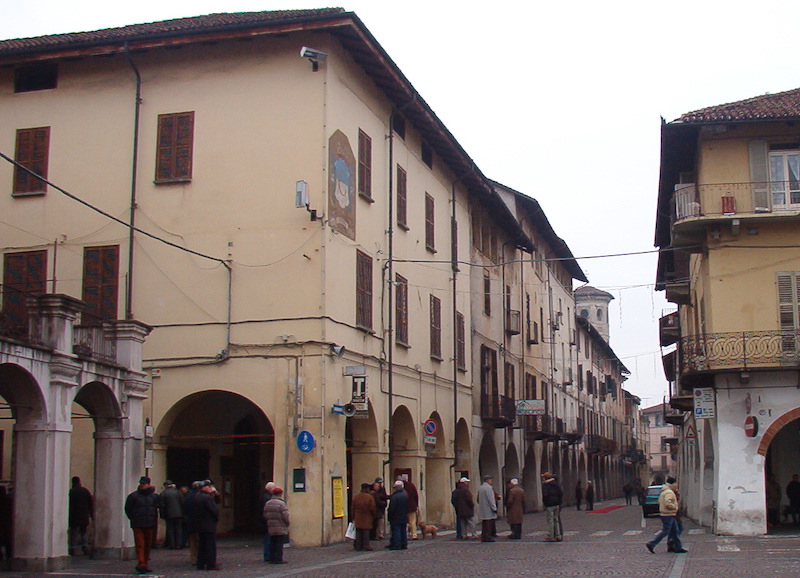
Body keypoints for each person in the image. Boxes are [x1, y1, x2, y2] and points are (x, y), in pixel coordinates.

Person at [124, 475, 160, 574]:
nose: (142, 485)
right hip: (138, 523)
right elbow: (128, 509)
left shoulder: (153, 496)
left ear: (148, 484)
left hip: (149, 523)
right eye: (141, 483)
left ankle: (144, 563)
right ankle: (141, 563)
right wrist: (133, 518)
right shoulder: (134, 496)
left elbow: (157, 508)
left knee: (147, 545)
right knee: (140, 545)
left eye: (144, 483)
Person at [646, 478, 686, 554]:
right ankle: (651, 544)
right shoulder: (669, 492)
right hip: (668, 514)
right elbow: (667, 502)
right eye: (675, 483)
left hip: (669, 514)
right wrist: (675, 507)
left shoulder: (665, 491)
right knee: (665, 531)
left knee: (675, 531)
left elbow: (660, 501)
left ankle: (678, 547)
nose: (676, 485)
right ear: (672, 484)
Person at [195, 480, 220, 571]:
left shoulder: (197, 496)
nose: (210, 488)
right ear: (204, 488)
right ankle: (210, 564)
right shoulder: (207, 498)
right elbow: (214, 510)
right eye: (209, 487)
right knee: (210, 545)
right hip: (208, 524)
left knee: (202, 545)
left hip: (200, 524)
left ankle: (200, 563)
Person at [263, 487, 290, 564]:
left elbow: (265, 514)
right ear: (280, 494)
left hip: (271, 526)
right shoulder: (281, 503)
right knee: (279, 543)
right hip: (280, 525)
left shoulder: (268, 503)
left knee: (272, 542)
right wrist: (287, 523)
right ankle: (279, 558)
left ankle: (272, 558)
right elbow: (285, 515)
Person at [68, 476, 93, 556]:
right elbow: (91, 503)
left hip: (73, 516)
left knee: (74, 532)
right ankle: (85, 546)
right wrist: (91, 515)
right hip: (83, 515)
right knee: (84, 532)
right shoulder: (85, 491)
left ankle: (73, 548)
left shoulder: (71, 492)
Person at [351, 482, 376, 551]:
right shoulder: (369, 497)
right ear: (367, 489)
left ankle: (358, 546)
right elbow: (372, 508)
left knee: (358, 532)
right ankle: (366, 545)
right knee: (366, 532)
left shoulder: (356, 497)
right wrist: (374, 515)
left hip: (358, 517)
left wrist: (353, 516)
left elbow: (352, 508)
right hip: (367, 517)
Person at [159, 480, 183, 550]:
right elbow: (182, 502)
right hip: (179, 513)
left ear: (165, 486)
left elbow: (162, 505)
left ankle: (171, 544)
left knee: (170, 529)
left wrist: (162, 515)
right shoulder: (178, 492)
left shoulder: (163, 493)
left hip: (169, 514)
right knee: (178, 529)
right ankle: (179, 544)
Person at [183, 481, 202, 566]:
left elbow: (185, 509)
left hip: (190, 521)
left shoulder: (188, 497)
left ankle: (194, 559)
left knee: (192, 542)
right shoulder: (202, 497)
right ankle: (201, 558)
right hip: (200, 522)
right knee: (200, 541)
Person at [386, 480, 409, 550]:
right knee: (403, 530)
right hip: (404, 516)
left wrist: (389, 515)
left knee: (396, 531)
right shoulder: (405, 495)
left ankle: (397, 544)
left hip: (396, 516)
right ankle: (404, 544)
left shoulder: (395, 496)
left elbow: (392, 508)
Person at [541, 472, 563, 542]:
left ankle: (551, 536)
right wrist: (559, 502)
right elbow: (560, 493)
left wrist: (545, 503)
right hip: (556, 504)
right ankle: (558, 535)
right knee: (556, 520)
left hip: (549, 504)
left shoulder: (545, 485)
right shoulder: (556, 484)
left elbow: (545, 494)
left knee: (550, 520)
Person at [477, 474, 497, 542]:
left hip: (482, 508)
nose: (491, 481)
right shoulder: (489, 488)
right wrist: (494, 508)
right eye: (490, 480)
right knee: (488, 524)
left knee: (484, 524)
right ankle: (488, 537)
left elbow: (478, 498)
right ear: (488, 480)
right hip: (488, 509)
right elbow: (491, 499)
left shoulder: (481, 488)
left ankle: (484, 537)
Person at [259, 482, 276, 562]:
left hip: (266, 521)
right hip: (267, 522)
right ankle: (268, 556)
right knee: (268, 539)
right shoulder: (267, 498)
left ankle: (268, 555)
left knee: (268, 539)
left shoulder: (265, 497)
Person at [401, 473, 419, 540]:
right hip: (412, 506)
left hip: (404, 507)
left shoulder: (402, 487)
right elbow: (416, 496)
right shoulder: (411, 485)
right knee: (412, 521)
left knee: (404, 521)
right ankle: (414, 534)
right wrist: (416, 505)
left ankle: (405, 534)